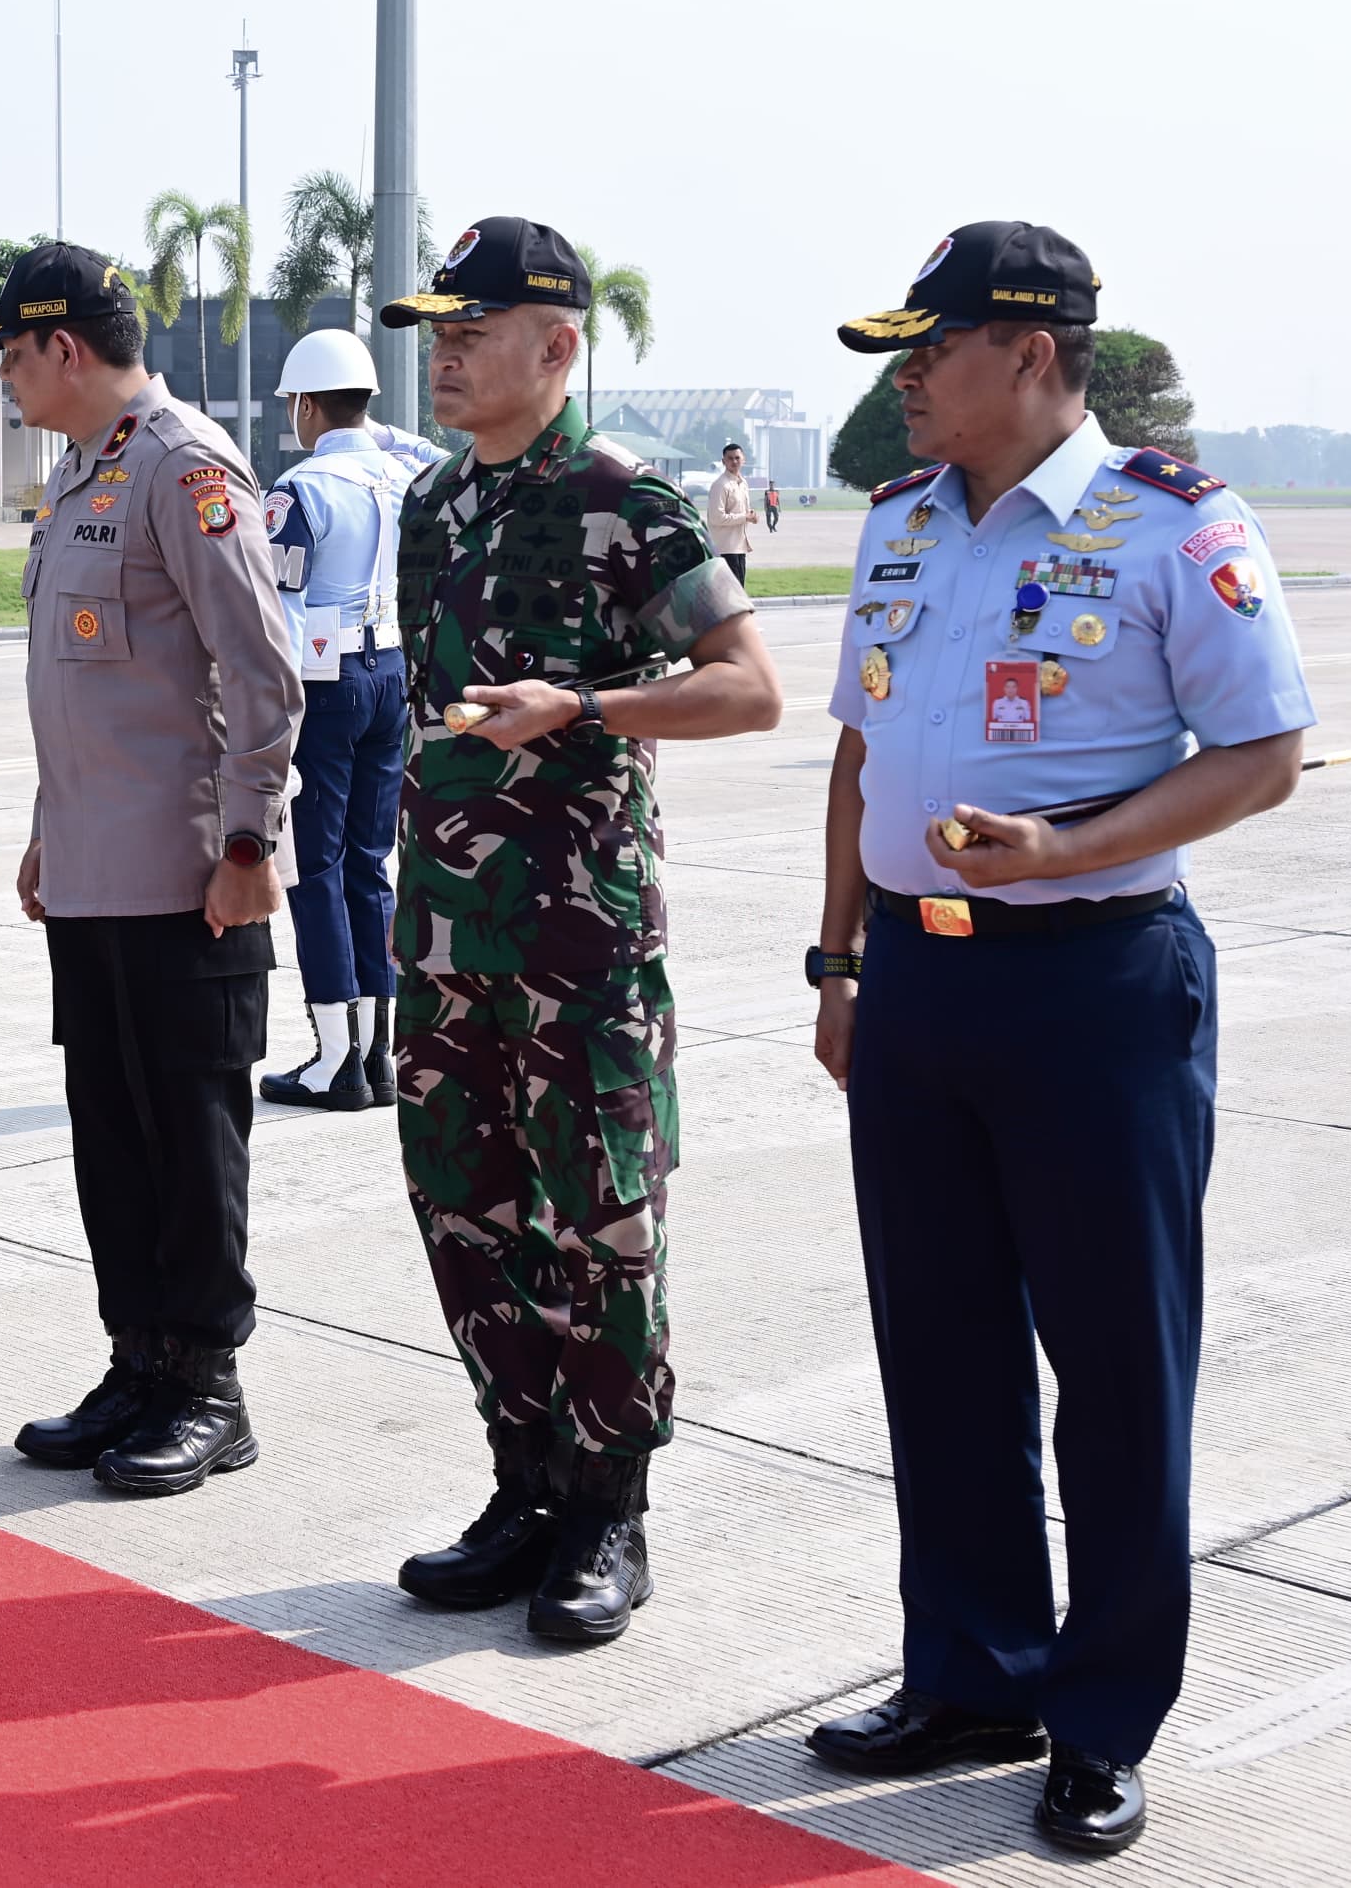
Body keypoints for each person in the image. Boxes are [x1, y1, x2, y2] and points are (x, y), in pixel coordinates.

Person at [799, 221, 1313, 1857]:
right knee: (936, 1346)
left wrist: (1064, 849)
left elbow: (1262, 752)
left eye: (929, 352)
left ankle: (1099, 1716)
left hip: (1096, 983)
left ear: (1027, 353)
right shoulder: (897, 521)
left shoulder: (1170, 519)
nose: (907, 385)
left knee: (1114, 1365)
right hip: (920, 993)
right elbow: (858, 750)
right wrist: (838, 956)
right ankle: (971, 1668)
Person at [375, 217, 783, 1644]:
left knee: (597, 1216)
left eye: (472, 329)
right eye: (436, 329)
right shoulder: (431, 507)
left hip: (575, 938)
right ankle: (521, 1481)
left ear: (556, 347)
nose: (445, 351)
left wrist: (591, 706)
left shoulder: (626, 500)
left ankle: (608, 1509)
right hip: (439, 933)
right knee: (464, 1207)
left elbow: (748, 687)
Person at [0, 243, 303, 1496]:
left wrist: (252, 842)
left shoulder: (184, 467)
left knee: (191, 1133)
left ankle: (210, 1382)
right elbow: (88, 694)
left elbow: (260, 673)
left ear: (64, 348)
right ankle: (139, 1358)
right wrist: (51, 830)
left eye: (9, 353)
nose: (1, 376)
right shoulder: (76, 479)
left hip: (189, 875)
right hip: (97, 873)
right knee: (112, 1134)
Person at [255, 326, 438, 1111]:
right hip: (391, 673)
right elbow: (428, 448)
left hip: (326, 686)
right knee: (370, 864)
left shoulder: (299, 490)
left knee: (316, 868)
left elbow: (284, 616)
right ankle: (378, 1054)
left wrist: (278, 733)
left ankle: (336, 1060)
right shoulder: (405, 476)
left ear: (303, 403)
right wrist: (377, 426)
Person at [704, 442, 758, 585]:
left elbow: (740, 512)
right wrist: (744, 517)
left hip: (739, 547)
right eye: (730, 458)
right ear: (723, 461)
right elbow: (717, 518)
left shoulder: (742, 483)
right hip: (725, 549)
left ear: (743, 459)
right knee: (730, 594)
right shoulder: (721, 485)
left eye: (737, 458)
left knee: (738, 591)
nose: (734, 461)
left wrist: (751, 517)